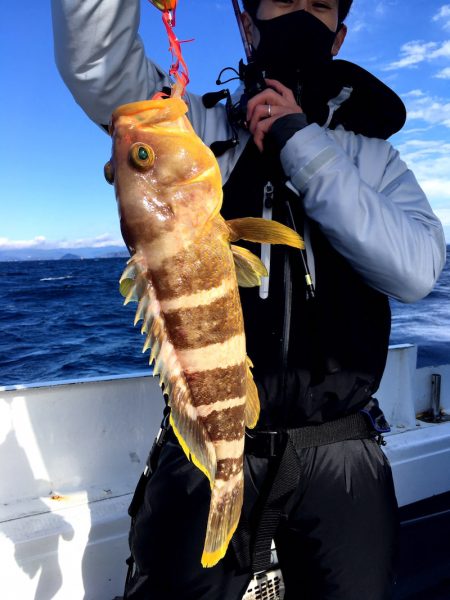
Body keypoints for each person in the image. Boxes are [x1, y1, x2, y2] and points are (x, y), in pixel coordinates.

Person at [51, 1, 446, 598]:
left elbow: (417, 270)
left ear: (336, 37)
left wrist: (302, 145)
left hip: (340, 446)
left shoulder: (374, 159)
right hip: (205, 444)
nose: (299, 15)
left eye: (316, 6)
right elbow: (97, 60)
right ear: (246, 22)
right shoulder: (184, 126)